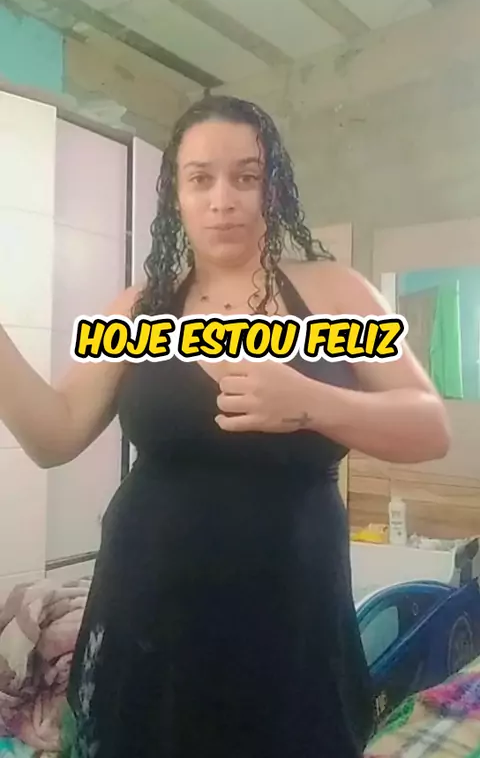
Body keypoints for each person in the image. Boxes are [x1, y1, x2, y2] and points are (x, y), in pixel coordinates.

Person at [0, 95, 450, 758]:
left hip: (290, 623)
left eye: (246, 177)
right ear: (176, 196)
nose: (223, 200)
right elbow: (54, 434)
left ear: (274, 189)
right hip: (148, 616)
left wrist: (309, 401)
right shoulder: (137, 312)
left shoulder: (336, 295)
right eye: (200, 179)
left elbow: (430, 428)